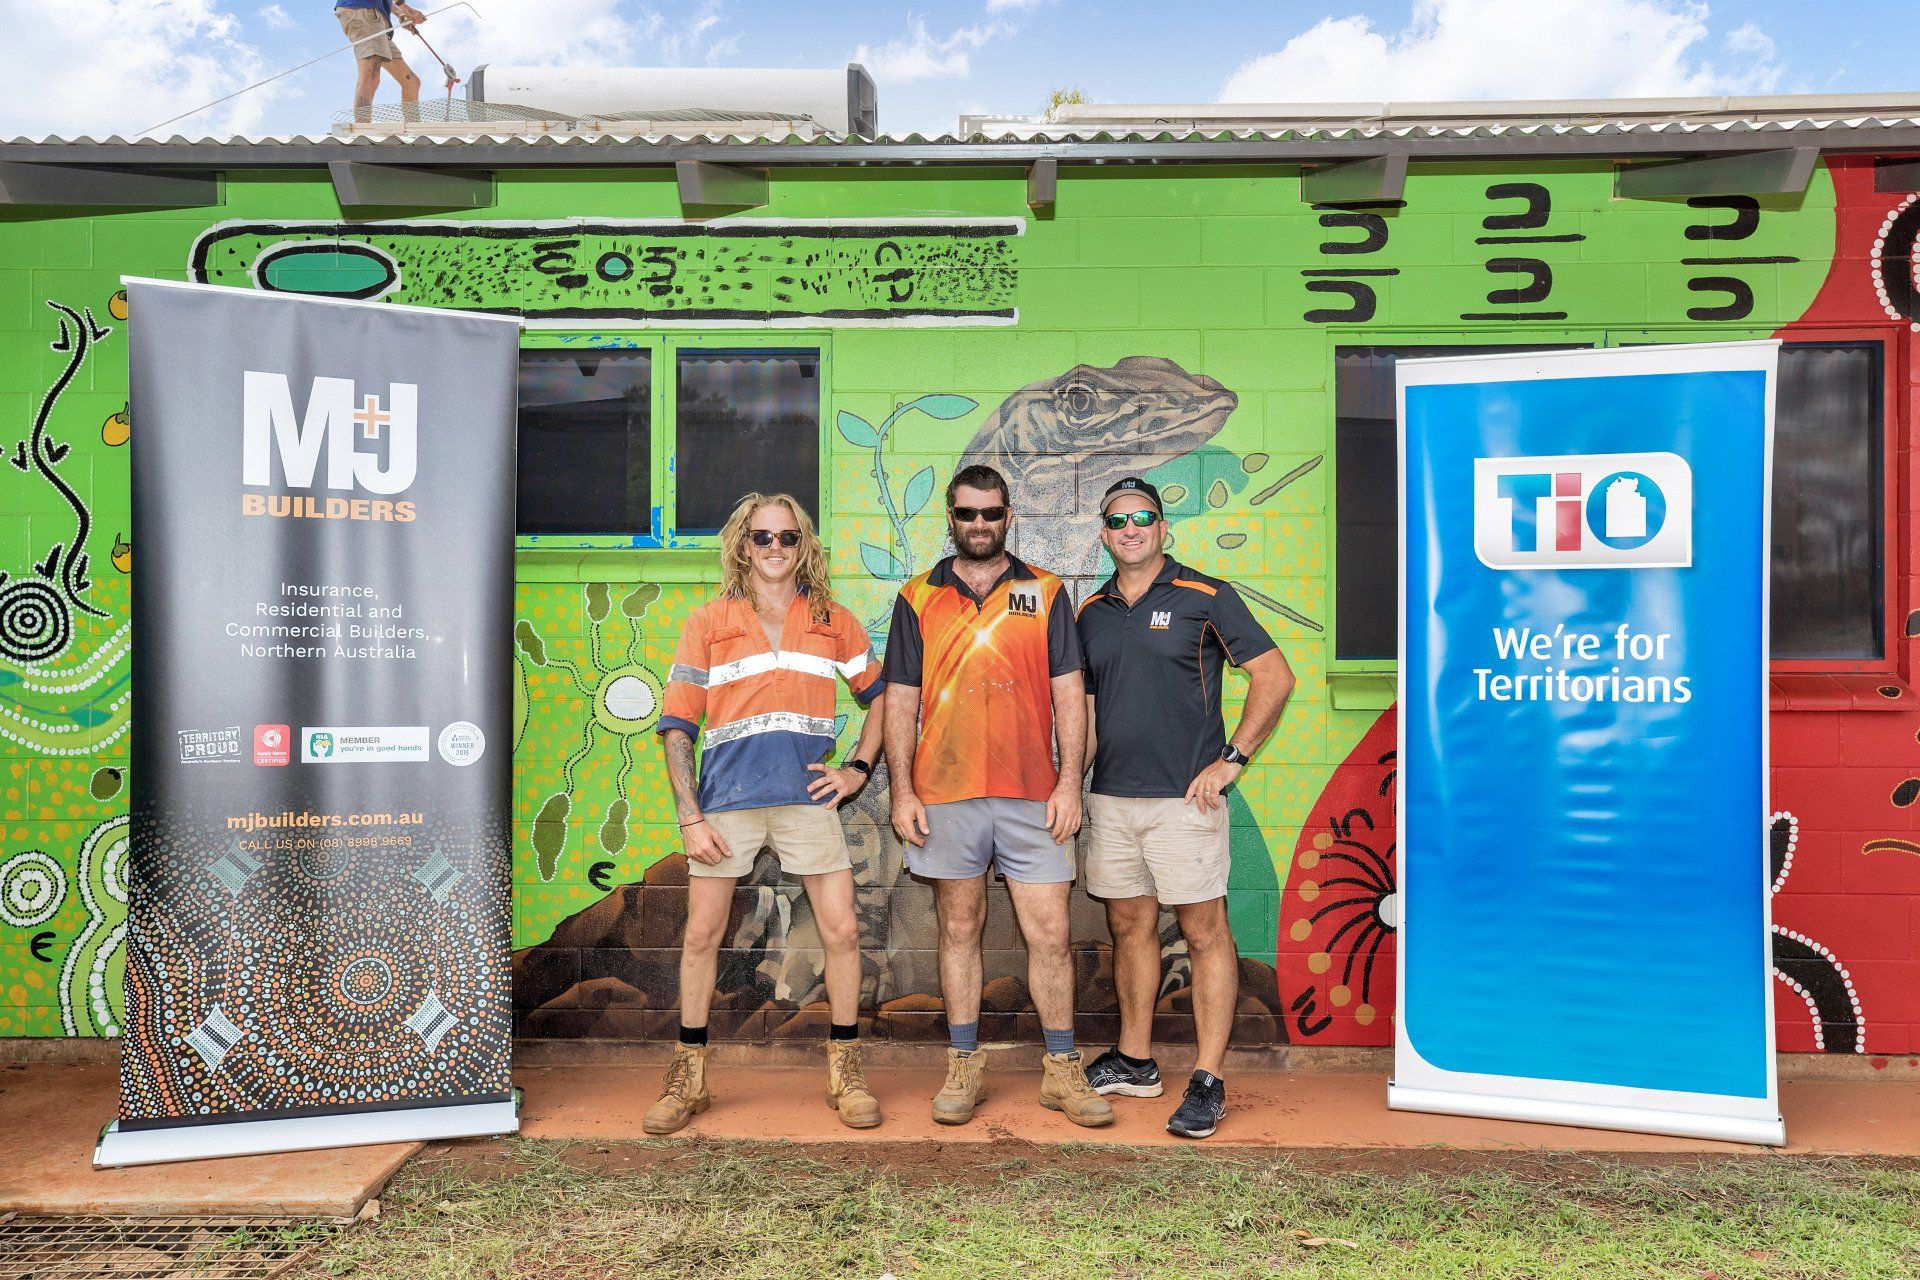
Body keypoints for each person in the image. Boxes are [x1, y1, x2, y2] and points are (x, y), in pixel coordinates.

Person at [883, 463, 1113, 1128]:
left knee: (1051, 934)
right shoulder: (916, 596)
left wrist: (1070, 781)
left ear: (1009, 516)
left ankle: (1062, 1070)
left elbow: (1070, 693)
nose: (978, 525)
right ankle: (964, 1063)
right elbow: (901, 699)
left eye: (990, 513)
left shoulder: (1045, 592)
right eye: (966, 514)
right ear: (950, 519)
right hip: (945, 791)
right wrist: (902, 791)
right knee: (959, 930)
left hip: (1032, 795)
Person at [648, 493, 887, 1133]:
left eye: (786, 537)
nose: (775, 549)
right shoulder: (708, 621)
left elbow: (882, 696)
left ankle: (845, 1068)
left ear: (802, 543)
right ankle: (688, 1075)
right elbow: (677, 726)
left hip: (808, 800)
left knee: (842, 932)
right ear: (742, 546)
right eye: (762, 538)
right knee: (701, 936)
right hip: (726, 804)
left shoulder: (833, 619)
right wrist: (689, 816)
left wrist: (858, 769)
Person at [1076, 477, 1295, 1139]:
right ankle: (1136, 1059)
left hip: (1185, 802)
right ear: (1105, 534)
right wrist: (1067, 783)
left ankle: (1207, 1078)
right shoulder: (1091, 610)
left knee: (1204, 934)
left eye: (1143, 517)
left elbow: (1275, 675)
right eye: (1117, 521)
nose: (1131, 529)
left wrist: (1234, 757)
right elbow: (1083, 710)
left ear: (1163, 527)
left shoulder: (1206, 595)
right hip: (1111, 799)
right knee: (1130, 930)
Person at [334, 0, 427, 122]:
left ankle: (415, 132)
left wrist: (401, 14)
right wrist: (405, 8)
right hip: (362, 10)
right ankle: (362, 134)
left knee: (412, 82)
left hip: (376, 19)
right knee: (371, 76)